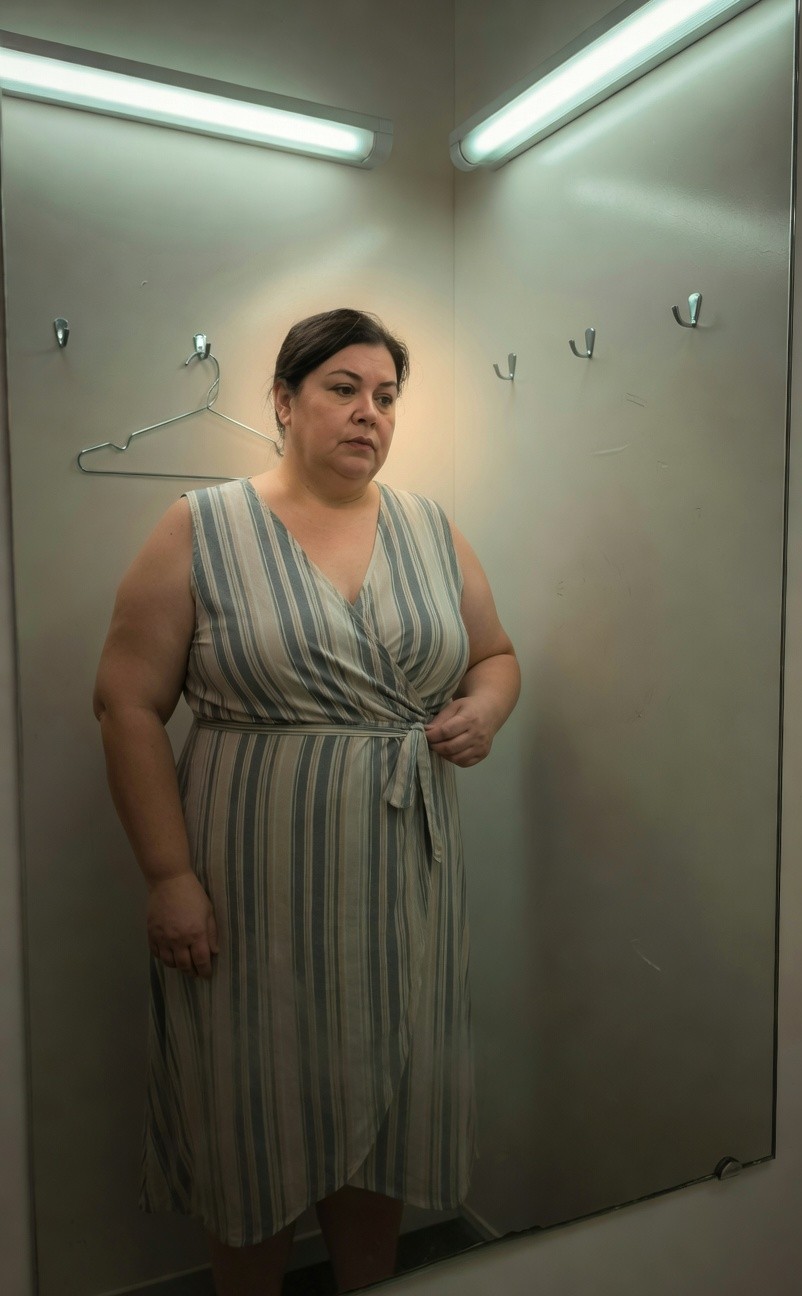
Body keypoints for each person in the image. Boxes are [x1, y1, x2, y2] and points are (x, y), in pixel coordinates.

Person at [93, 308, 520, 1296]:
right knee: (254, 1116)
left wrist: (486, 710)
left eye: (387, 396)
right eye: (343, 389)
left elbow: (496, 655)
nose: (370, 413)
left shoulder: (431, 529)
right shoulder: (203, 527)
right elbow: (125, 704)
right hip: (252, 894)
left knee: (388, 1100)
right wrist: (169, 876)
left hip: (404, 887)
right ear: (284, 402)